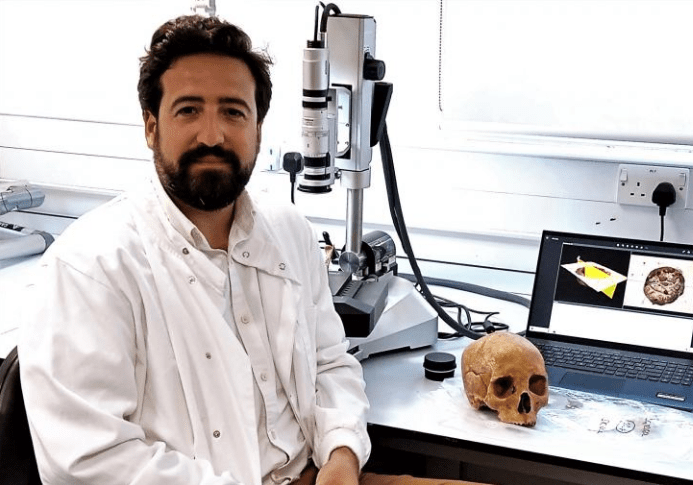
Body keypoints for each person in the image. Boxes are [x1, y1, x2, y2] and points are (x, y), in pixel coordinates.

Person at [19, 15, 486, 485]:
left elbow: (330, 363)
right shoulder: (88, 267)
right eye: (188, 110)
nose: (212, 135)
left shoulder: (290, 231)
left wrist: (342, 455)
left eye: (233, 112)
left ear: (258, 129)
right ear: (151, 127)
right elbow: (89, 463)